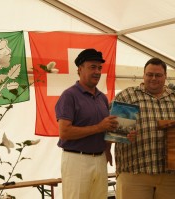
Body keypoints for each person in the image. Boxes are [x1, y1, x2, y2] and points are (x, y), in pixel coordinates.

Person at [113, 57, 175, 199]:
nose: (153, 78)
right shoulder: (126, 96)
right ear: (143, 75)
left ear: (165, 77)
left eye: (158, 75)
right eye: (149, 74)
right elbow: (113, 131)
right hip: (134, 174)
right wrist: (123, 135)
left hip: (170, 176)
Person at [55, 48, 119, 199]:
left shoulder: (102, 98)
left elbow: (106, 128)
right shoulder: (69, 96)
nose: (97, 71)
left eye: (100, 68)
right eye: (92, 67)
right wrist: (99, 127)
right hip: (77, 160)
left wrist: (112, 143)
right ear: (80, 69)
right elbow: (65, 132)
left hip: (100, 159)